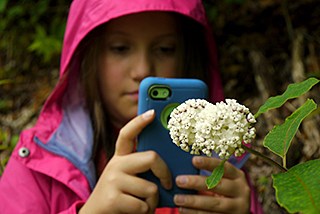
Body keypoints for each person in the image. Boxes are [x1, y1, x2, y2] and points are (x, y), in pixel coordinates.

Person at [0, 0, 263, 213]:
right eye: (120, 48)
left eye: (165, 49)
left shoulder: (221, 162)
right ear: (88, 56)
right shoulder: (39, 162)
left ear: (188, 54)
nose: (143, 70)